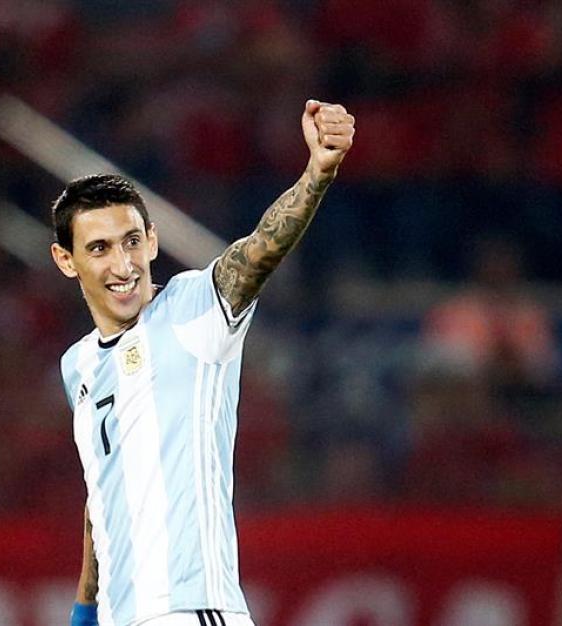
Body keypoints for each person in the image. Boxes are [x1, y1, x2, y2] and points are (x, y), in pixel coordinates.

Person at [50, 100, 355, 626]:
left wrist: (317, 173)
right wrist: (84, 604)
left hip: (192, 610)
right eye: (99, 248)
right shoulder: (76, 365)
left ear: (151, 241)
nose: (123, 265)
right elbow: (103, 484)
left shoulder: (193, 311)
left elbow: (260, 250)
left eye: (131, 242)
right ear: (66, 261)